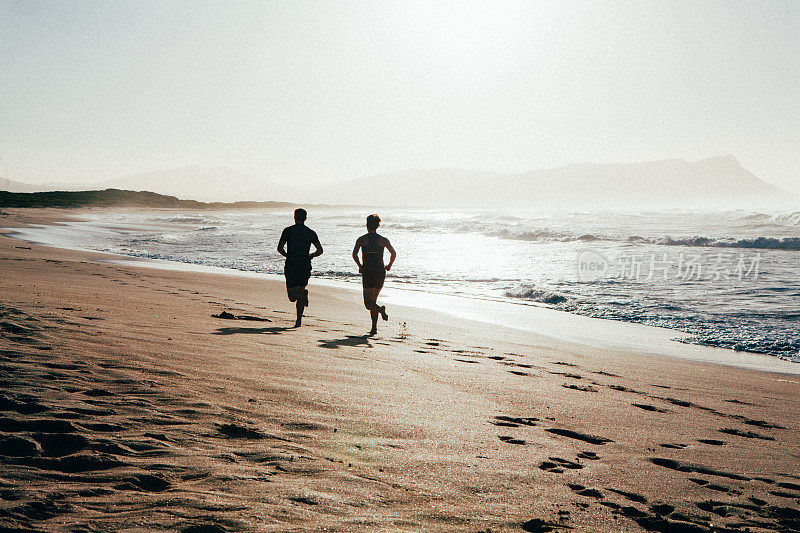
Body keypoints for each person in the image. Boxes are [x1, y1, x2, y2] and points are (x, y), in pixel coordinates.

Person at [352, 214, 396, 335]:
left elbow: (354, 254)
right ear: (377, 226)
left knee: (368, 304)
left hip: (368, 272)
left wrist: (360, 266)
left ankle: (381, 310)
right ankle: (374, 328)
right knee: (374, 301)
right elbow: (393, 253)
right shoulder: (383, 240)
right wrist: (389, 265)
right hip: (380, 272)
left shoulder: (362, 239)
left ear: (367, 225)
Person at [278, 208, 323, 327]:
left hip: (292, 265)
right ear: (305, 218)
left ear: (294, 217)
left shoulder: (288, 231)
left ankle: (298, 321)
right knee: (297, 296)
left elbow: (280, 248)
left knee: (292, 297)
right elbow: (320, 250)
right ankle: (303, 295)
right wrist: (311, 255)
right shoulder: (310, 232)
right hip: (304, 265)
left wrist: (288, 255)